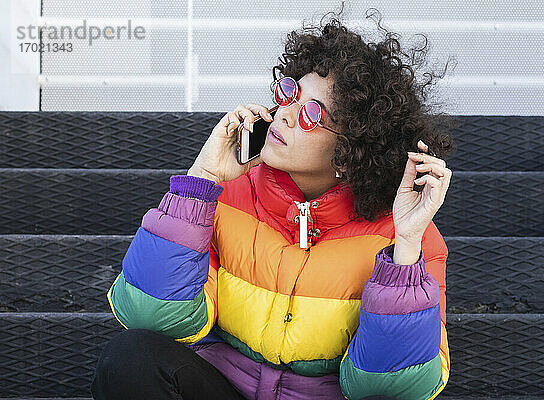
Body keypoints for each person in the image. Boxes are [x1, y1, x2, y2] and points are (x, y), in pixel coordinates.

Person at [92, 6, 457, 400]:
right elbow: (150, 315)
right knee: (131, 356)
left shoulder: (411, 238)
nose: (284, 114)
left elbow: (392, 387)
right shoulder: (225, 196)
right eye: (290, 93)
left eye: (312, 114)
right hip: (223, 387)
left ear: (352, 151)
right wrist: (201, 179)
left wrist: (404, 249)